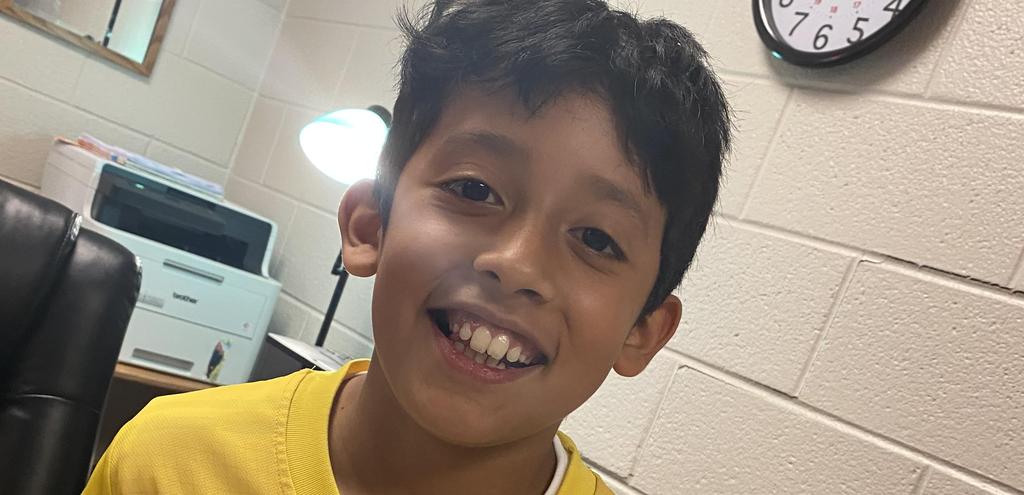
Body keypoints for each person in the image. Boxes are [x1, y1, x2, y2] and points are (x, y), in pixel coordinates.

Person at [83, 0, 731, 493]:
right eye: (475, 189)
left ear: (643, 329)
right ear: (368, 224)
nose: (518, 264)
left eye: (595, 238)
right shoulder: (165, 462)